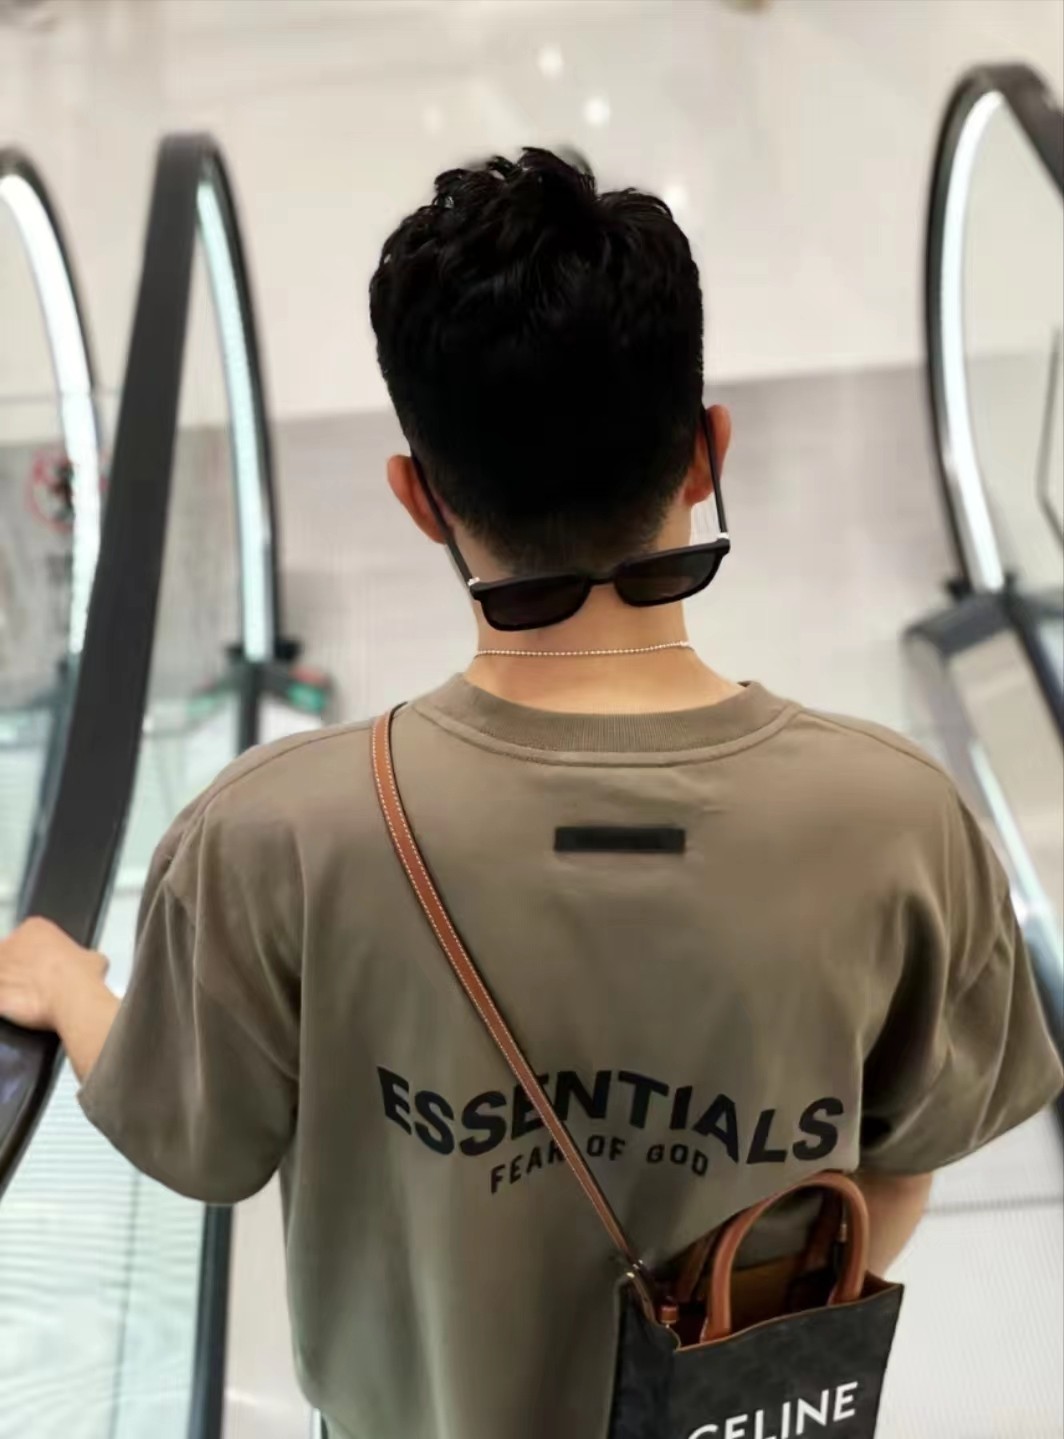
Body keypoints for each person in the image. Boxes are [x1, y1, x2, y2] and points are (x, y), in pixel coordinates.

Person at [1, 148, 1060, 1439]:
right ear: (705, 455)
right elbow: (896, 1178)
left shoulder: (273, 834)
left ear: (418, 498)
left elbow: (195, 1140)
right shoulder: (898, 821)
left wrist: (70, 987)